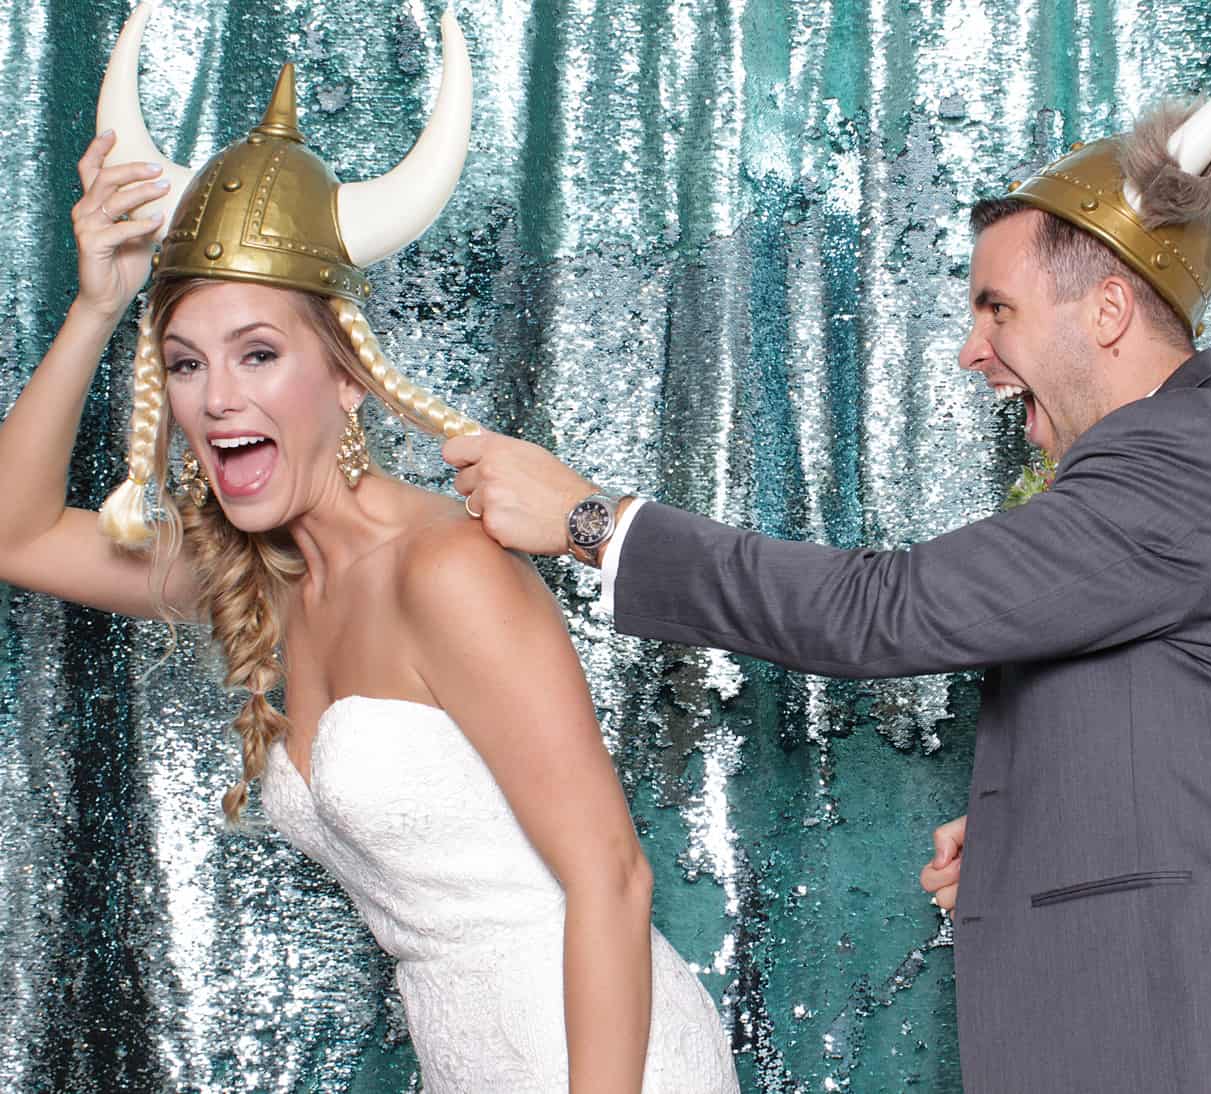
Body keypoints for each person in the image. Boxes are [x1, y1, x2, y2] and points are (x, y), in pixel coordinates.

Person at [443, 29, 1211, 1094]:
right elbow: (1208, 732)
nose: (970, 349)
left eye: (997, 308)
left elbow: (883, 610)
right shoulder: (1194, 463)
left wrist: (590, 521)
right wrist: (1043, 826)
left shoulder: (1179, 456)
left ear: (1110, 309)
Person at [0, 7, 737, 1092]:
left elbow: (613, 881)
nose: (218, 399)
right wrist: (98, 305)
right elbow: (15, 533)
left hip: (604, 1061)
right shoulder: (259, 573)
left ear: (348, 376)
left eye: (258, 353)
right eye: (188, 364)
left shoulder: (445, 567)